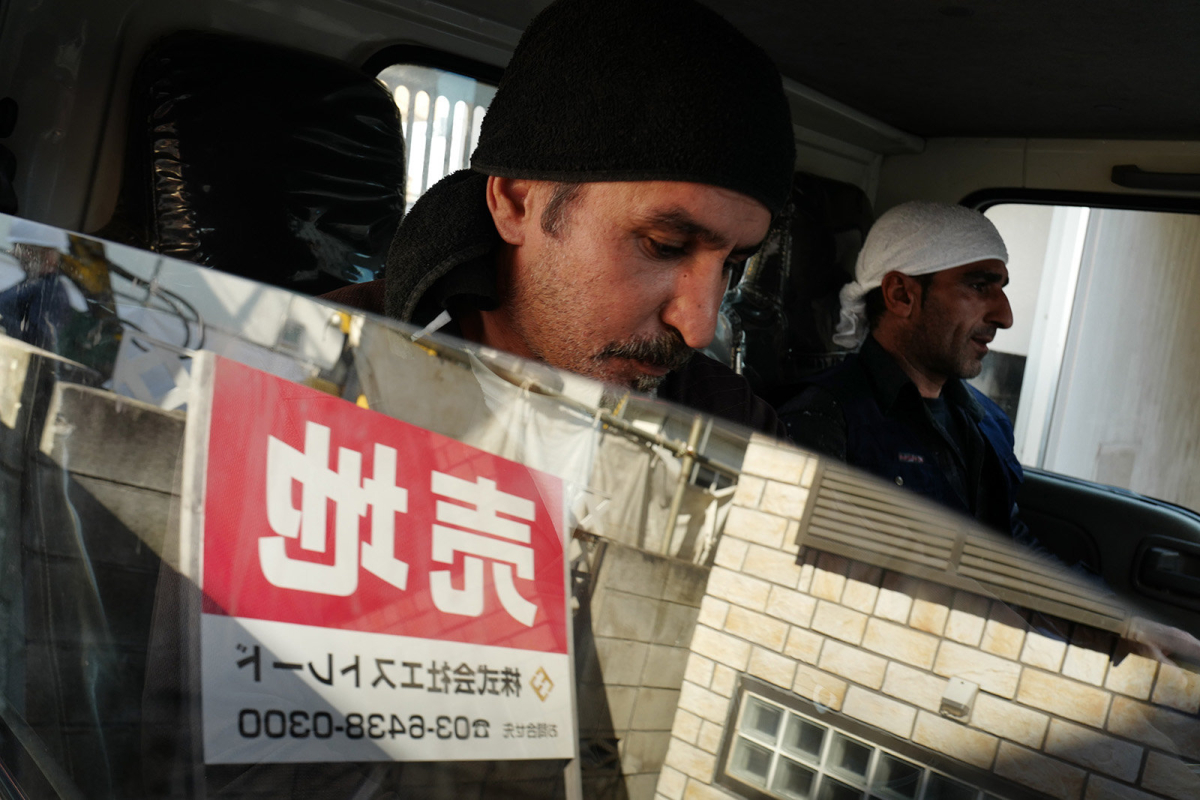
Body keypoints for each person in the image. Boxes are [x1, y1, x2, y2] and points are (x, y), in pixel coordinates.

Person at [324, 0, 795, 436]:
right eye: (664, 245)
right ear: (515, 203)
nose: (699, 326)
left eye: (732, 262)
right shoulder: (318, 364)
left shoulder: (732, 426)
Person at [777, 201, 1025, 536]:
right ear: (900, 295)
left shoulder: (990, 422)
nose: (1005, 317)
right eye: (979, 286)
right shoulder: (823, 421)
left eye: (1001, 289)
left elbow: (1011, 545)